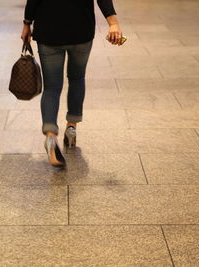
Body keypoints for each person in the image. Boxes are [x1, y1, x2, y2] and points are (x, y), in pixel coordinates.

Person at [21, 0, 123, 167]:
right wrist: (113, 23)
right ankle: (71, 128)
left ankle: (50, 136)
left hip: (48, 31)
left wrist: (27, 23)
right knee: (77, 78)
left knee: (52, 88)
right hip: (80, 31)